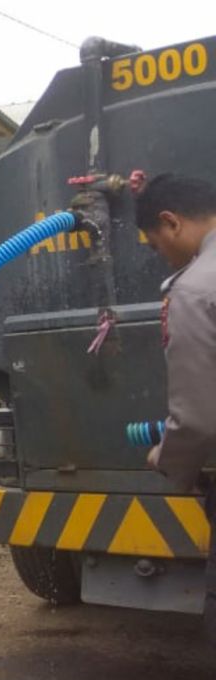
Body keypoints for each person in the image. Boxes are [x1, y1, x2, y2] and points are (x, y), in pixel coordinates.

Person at [136, 173, 216, 638]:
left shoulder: (195, 289)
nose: (159, 254)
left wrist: (169, 460)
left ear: (171, 223)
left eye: (153, 244)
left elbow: (201, 418)